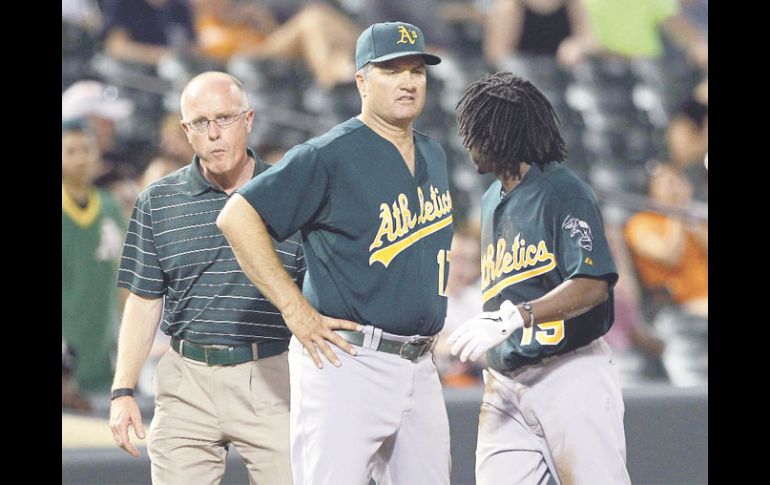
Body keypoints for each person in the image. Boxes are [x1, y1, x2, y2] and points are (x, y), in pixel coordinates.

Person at [217, 21, 453, 485]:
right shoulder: (329, 154)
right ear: (361, 81)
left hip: (420, 365)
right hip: (349, 362)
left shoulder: (435, 154)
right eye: (391, 70)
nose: (407, 81)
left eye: (416, 71)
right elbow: (237, 216)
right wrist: (295, 310)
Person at [108, 71, 304, 485]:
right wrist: (123, 390)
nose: (214, 133)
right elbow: (143, 301)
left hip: (273, 376)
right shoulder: (157, 202)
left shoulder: (290, 194)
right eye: (200, 123)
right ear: (185, 131)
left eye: (226, 119)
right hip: (187, 381)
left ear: (249, 120)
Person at [449, 72, 631, 484]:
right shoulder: (491, 200)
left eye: (475, 129)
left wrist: (517, 316)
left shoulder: (561, 191)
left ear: (500, 133)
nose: (467, 141)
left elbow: (593, 284)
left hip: (569, 373)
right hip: (506, 383)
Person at [62, 119, 126, 395]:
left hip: (101, 358)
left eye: (86, 149)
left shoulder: (110, 207)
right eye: (71, 151)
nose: (80, 158)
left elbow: (125, 281)